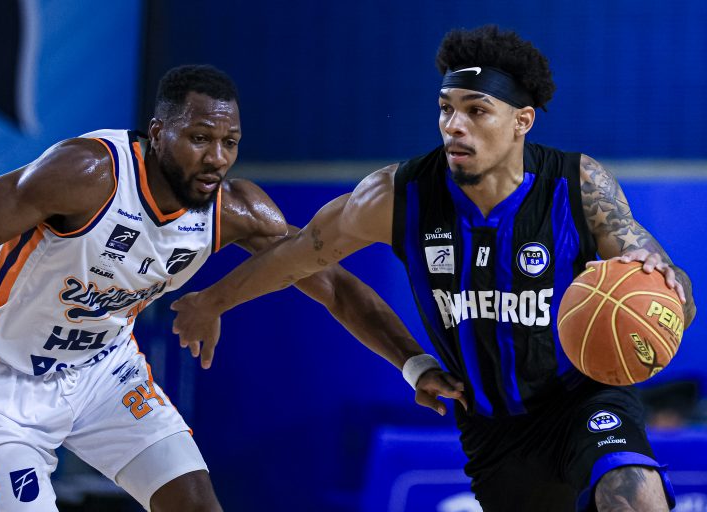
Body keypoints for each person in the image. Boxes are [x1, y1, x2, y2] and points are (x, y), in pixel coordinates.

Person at [171, 26, 697, 511]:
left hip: (581, 399)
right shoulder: (397, 196)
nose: (454, 126)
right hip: (493, 429)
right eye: (446, 108)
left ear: (522, 121)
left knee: (634, 495)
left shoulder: (577, 185)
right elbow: (304, 259)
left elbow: (675, 295)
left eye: (476, 110)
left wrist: (668, 287)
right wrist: (212, 301)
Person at [0, 65, 456, 512]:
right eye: (200, 138)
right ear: (159, 132)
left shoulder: (235, 211)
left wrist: (414, 364)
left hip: (103, 372)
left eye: (230, 142)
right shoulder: (87, 174)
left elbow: (337, 287)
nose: (217, 158)